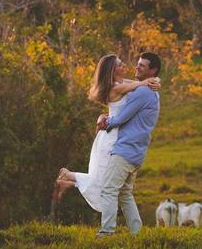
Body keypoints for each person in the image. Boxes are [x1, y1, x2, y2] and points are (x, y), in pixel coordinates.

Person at [51, 54, 160, 215]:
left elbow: (136, 84)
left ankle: (69, 180)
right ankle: (68, 178)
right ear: (113, 70)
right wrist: (148, 82)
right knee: (103, 180)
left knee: (104, 179)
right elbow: (138, 85)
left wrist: (155, 81)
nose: (125, 67)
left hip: (116, 135)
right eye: (120, 65)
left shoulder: (121, 83)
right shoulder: (116, 87)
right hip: (111, 137)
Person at [94, 52, 161, 236]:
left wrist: (105, 122)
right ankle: (136, 233)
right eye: (137, 64)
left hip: (125, 149)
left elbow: (121, 118)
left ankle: (106, 232)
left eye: (142, 66)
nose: (136, 67)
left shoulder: (142, 92)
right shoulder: (149, 90)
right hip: (137, 151)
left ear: (152, 70)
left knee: (109, 190)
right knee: (125, 193)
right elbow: (128, 86)